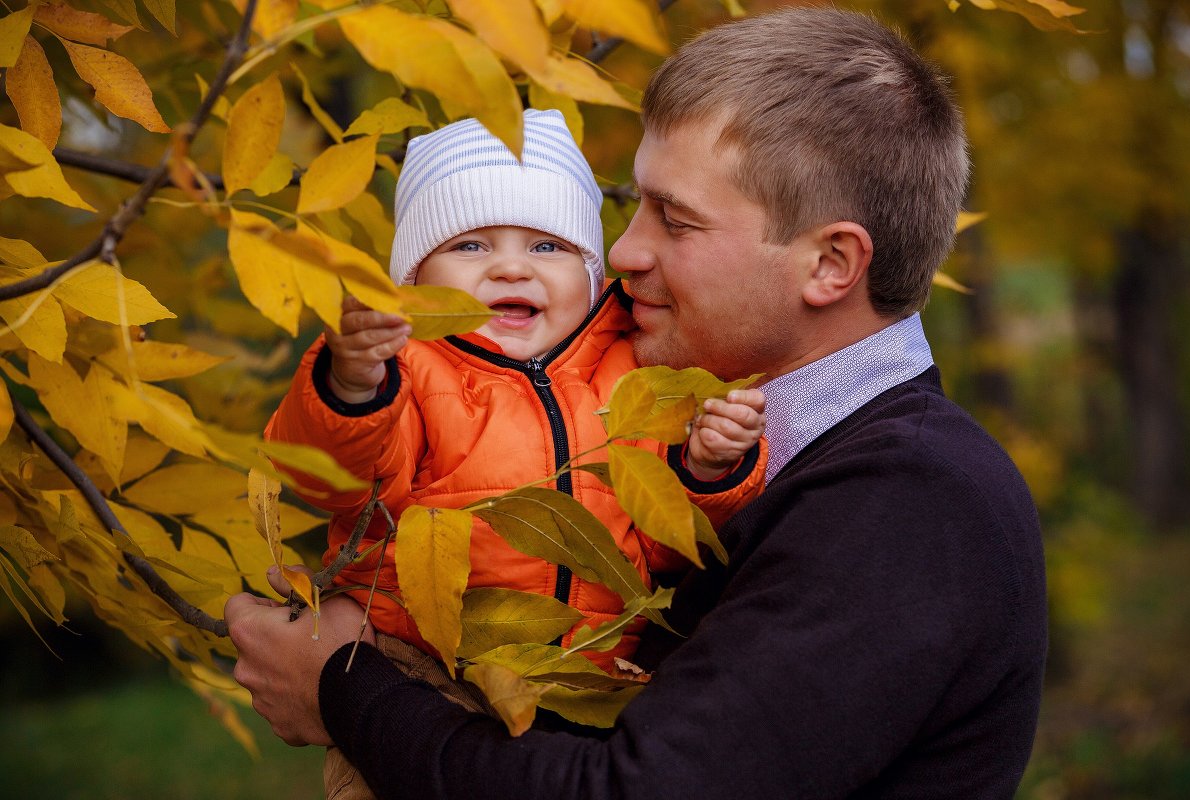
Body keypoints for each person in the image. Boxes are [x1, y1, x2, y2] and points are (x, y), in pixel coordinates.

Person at [226, 8, 1047, 799]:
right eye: (635, 207)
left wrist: (344, 689)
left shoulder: (913, 503)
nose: (623, 252)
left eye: (675, 221)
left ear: (831, 264)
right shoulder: (751, 448)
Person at [263, 109, 768, 798]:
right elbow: (336, 480)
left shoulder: (629, 375)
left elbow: (661, 546)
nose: (510, 266)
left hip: (588, 679)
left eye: (547, 247)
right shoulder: (409, 372)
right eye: (470, 246)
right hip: (421, 673)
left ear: (591, 273)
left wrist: (709, 468)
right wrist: (351, 384)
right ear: (413, 279)